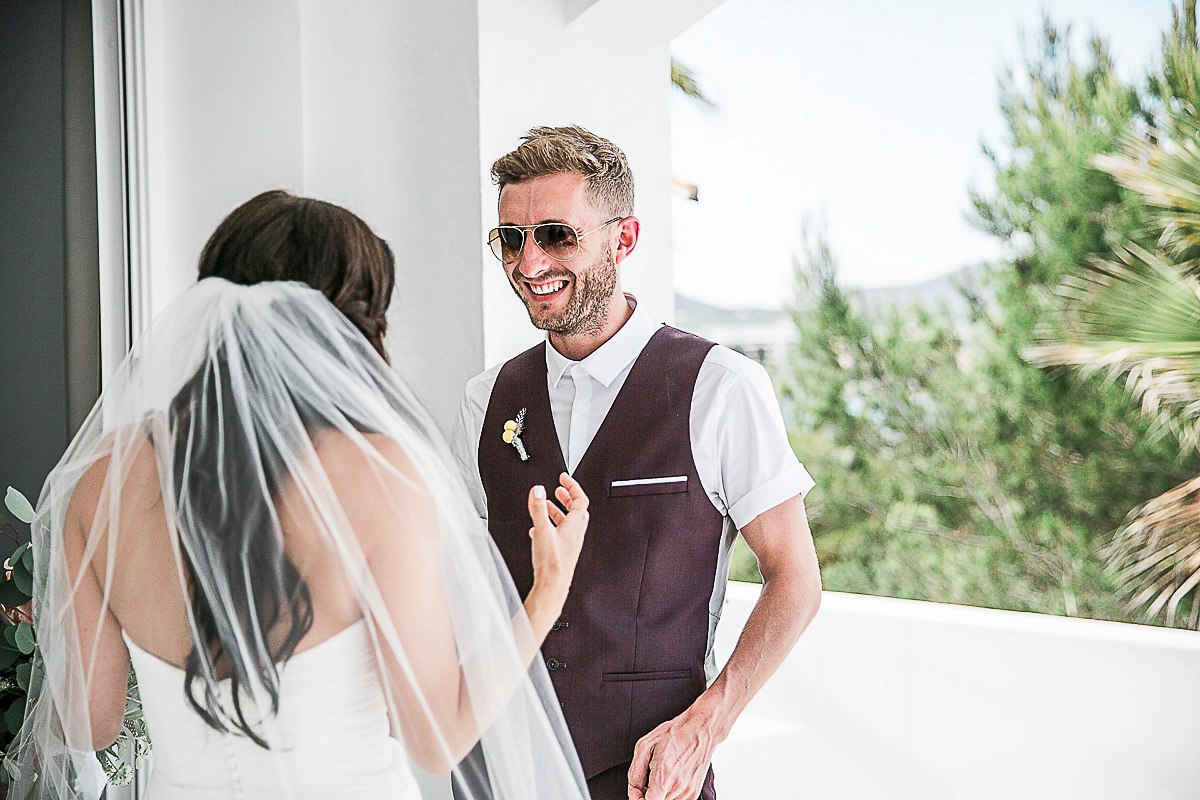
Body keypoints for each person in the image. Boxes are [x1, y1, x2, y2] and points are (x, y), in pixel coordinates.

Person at [14, 190, 593, 800]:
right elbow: (434, 735)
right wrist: (545, 595)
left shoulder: (106, 475)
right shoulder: (379, 478)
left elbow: (86, 720)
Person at [449, 126, 823, 800]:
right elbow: (466, 597)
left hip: (649, 781)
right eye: (511, 238)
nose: (528, 263)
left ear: (624, 239)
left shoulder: (721, 387)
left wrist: (708, 725)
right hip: (497, 774)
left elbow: (795, 578)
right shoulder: (485, 402)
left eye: (557, 235)